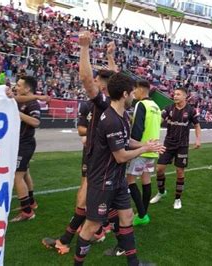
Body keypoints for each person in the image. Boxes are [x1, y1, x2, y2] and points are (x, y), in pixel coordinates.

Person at [73, 72, 164, 266]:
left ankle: (134, 262)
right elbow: (121, 155)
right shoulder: (112, 119)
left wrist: (145, 144)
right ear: (124, 94)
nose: (133, 96)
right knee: (92, 225)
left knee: (127, 216)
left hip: (117, 178)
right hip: (103, 181)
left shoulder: (122, 115)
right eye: (131, 93)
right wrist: (144, 148)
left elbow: (126, 140)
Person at [42, 32, 116, 254]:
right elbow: (82, 128)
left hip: (101, 157)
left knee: (86, 196)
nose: (92, 80)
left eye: (97, 80)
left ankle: (67, 239)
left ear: (102, 86)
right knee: (103, 199)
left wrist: (84, 48)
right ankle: (102, 231)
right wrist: (110, 55)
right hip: (96, 153)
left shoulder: (105, 101)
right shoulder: (96, 104)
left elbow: (93, 78)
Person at [150, 87, 201, 210]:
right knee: (160, 169)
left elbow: (197, 126)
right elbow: (158, 121)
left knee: (180, 172)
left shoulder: (191, 111)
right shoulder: (168, 109)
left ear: (185, 96)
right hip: (168, 144)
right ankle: (161, 192)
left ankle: (177, 199)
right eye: (174, 94)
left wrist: (198, 140)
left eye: (178, 94)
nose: (175, 96)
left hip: (182, 145)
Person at [127, 79, 161, 226]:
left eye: (135, 90)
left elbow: (138, 129)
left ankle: (141, 215)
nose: (134, 93)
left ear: (141, 90)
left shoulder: (141, 104)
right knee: (146, 180)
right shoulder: (156, 106)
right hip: (152, 150)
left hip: (142, 149)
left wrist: (132, 148)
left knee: (130, 181)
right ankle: (143, 213)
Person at [10, 76, 41, 222]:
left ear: (27, 88)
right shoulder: (20, 101)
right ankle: (31, 202)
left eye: (19, 85)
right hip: (20, 143)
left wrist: (19, 114)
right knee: (25, 173)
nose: (16, 87)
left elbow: (36, 122)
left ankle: (27, 212)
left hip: (25, 144)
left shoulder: (33, 104)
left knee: (17, 176)